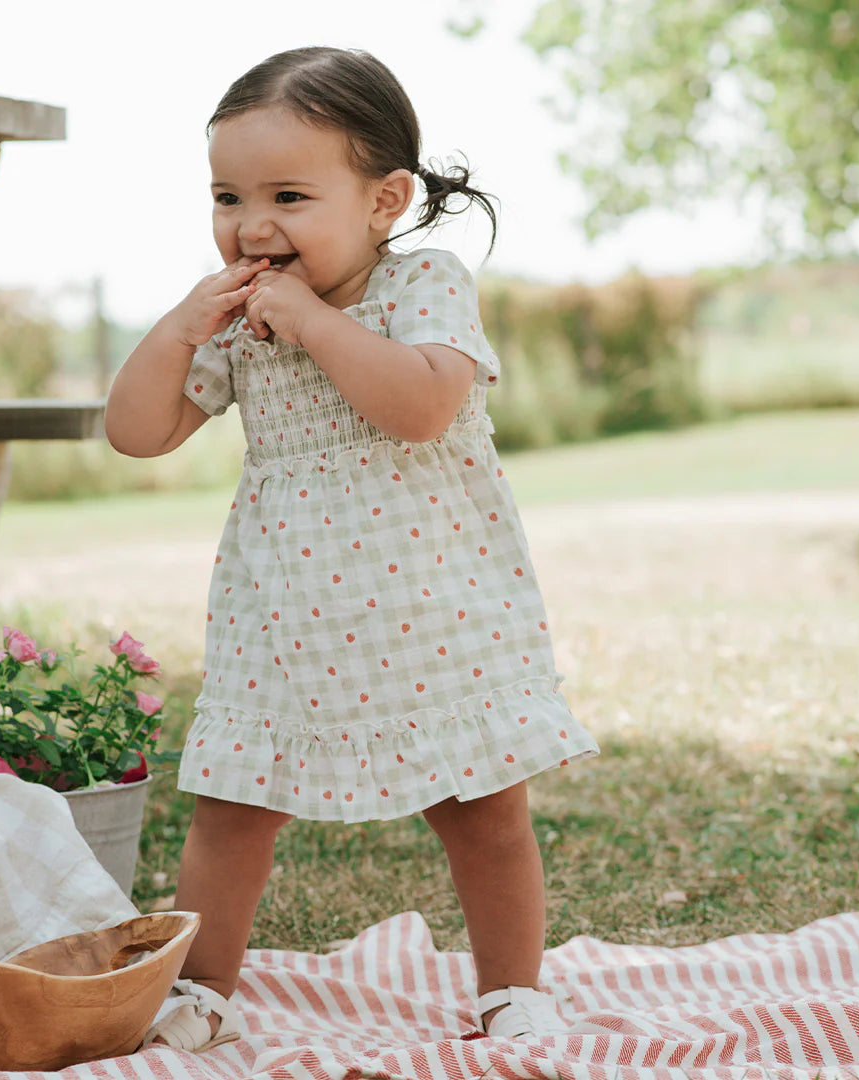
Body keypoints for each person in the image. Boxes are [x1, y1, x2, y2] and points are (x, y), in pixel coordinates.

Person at [105, 45, 599, 1051]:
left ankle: (512, 990)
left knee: (484, 808)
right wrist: (175, 329)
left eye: (289, 194)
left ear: (385, 200)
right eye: (227, 196)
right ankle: (202, 994)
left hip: (437, 608)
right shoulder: (240, 323)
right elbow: (137, 433)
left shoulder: (425, 283)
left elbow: (420, 406)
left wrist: (310, 322)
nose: (251, 225)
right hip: (284, 616)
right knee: (233, 809)